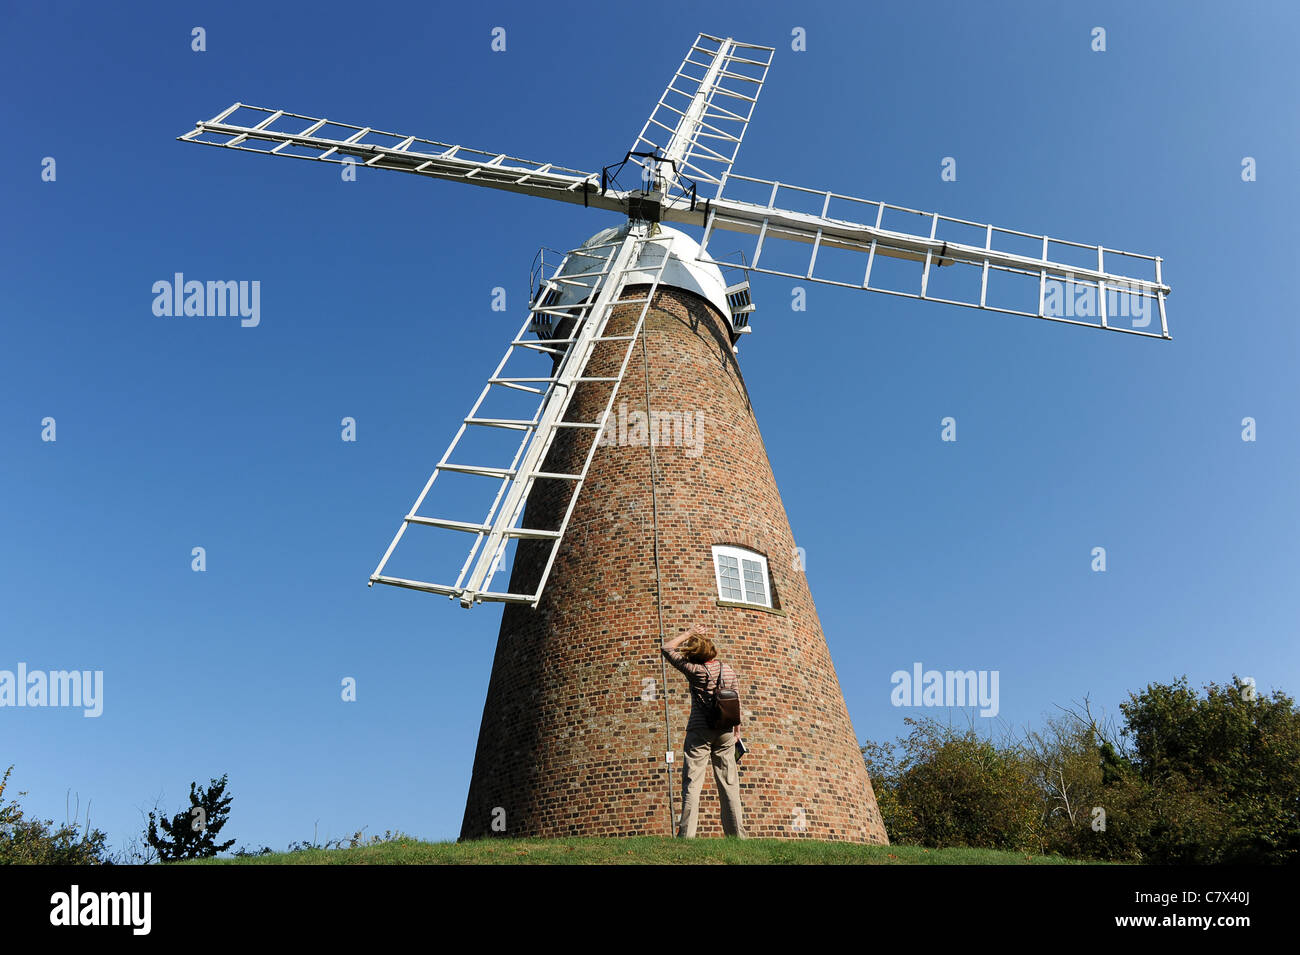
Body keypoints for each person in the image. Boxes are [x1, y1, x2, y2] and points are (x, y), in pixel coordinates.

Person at [662, 624, 746, 838]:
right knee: (729, 785)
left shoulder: (695, 671)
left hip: (699, 731)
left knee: (692, 784)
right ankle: (737, 835)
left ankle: (687, 835)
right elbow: (736, 700)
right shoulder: (728, 670)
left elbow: (667, 648)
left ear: (695, 656)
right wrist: (737, 731)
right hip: (726, 730)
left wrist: (689, 633)